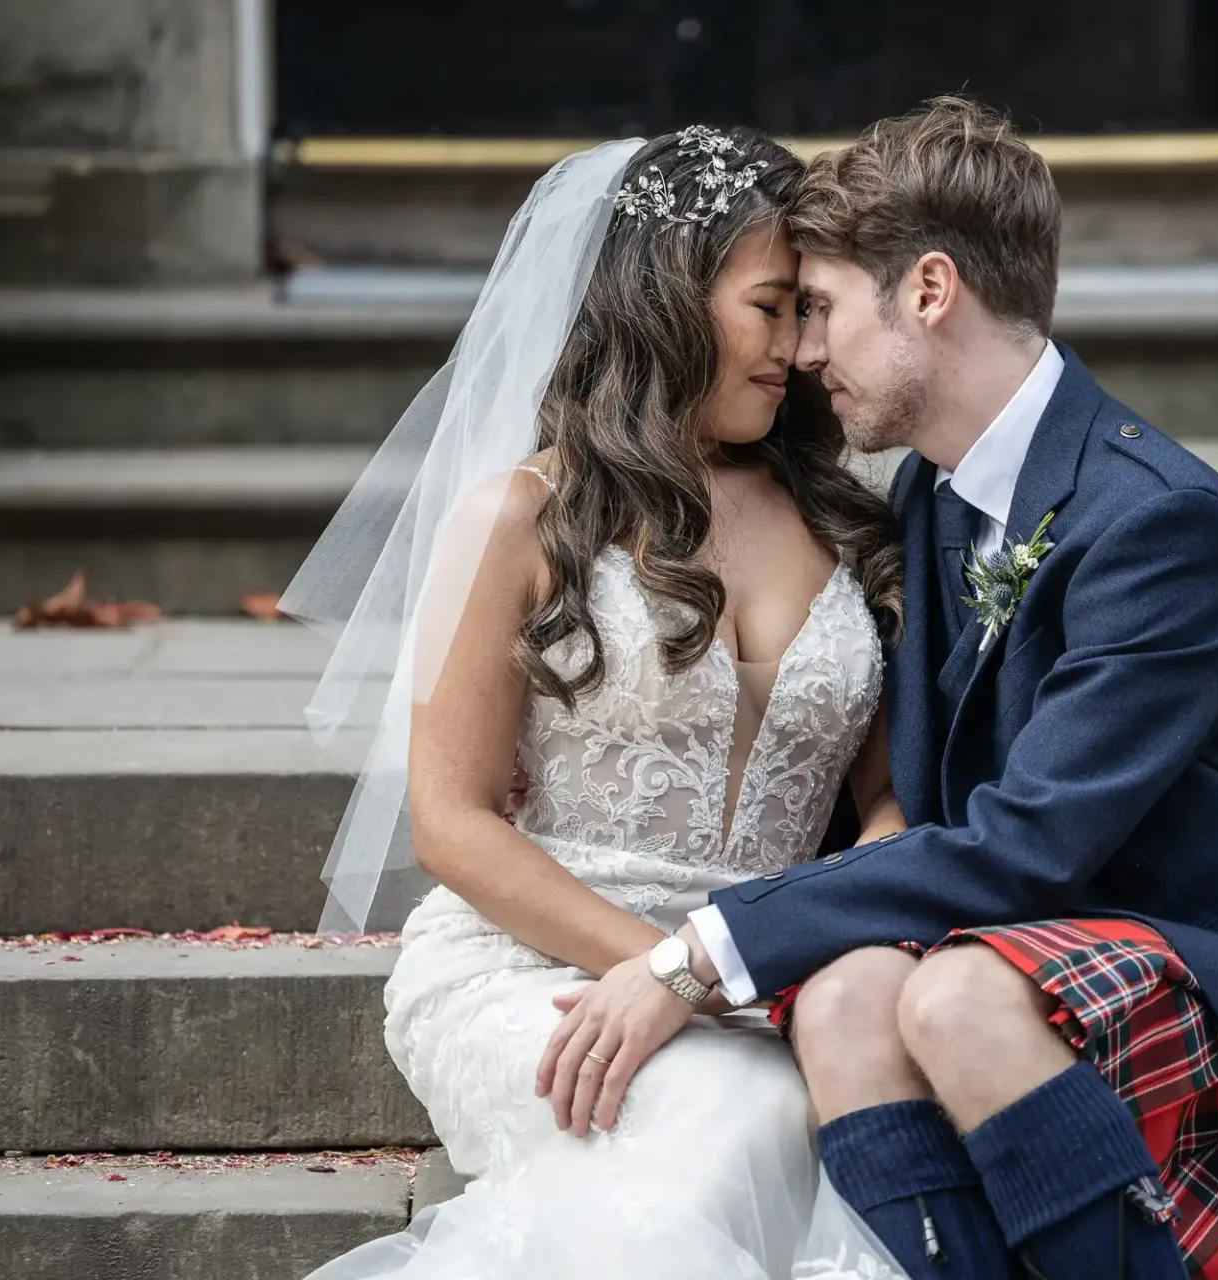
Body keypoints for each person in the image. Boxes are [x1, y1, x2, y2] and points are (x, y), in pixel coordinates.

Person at [540, 99, 1218, 1280]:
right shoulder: (932, 494)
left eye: (820, 308)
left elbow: (1032, 837)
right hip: (1029, 933)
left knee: (957, 998)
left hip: (1216, 955)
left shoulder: (1155, 522)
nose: (807, 350)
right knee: (842, 1001)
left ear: (929, 291)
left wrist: (696, 953)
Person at [284, 127, 909, 1277]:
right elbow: (452, 820)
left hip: (771, 969)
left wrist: (758, 956)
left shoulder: (849, 521)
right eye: (772, 306)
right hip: (534, 963)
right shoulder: (521, 516)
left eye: (812, 312)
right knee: (739, 1111)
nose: (801, 346)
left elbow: (892, 802)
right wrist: (665, 974)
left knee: (774, 1106)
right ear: (670, 295)